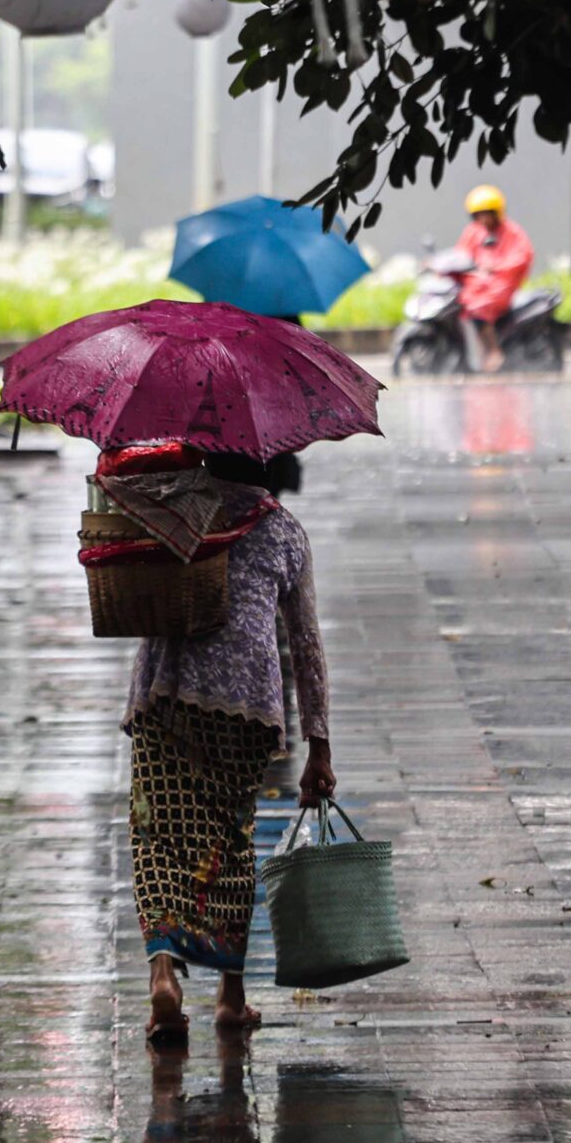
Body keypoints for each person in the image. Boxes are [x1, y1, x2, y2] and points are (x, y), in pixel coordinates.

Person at [123, 448, 331, 1047]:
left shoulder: (176, 509)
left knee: (157, 834)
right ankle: (231, 997)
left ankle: (164, 973)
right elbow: (307, 647)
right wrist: (319, 744)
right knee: (229, 842)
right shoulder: (283, 530)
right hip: (243, 707)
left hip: (163, 692)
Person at [455, 184, 535, 372]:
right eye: (479, 214)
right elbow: (461, 255)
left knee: (478, 306)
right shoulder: (473, 231)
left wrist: (496, 268)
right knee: (465, 300)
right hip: (479, 282)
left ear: (497, 212)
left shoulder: (512, 232)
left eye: (488, 213)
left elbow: (523, 255)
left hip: (503, 283)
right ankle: (480, 351)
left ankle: (494, 351)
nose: (484, 218)